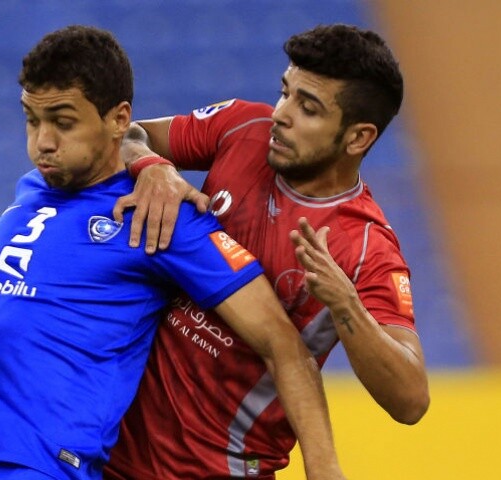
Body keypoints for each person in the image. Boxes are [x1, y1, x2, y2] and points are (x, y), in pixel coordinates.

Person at [0, 25, 344, 480]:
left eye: (63, 122)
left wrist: (324, 468)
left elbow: (283, 343)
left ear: (119, 119)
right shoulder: (31, 191)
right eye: (32, 119)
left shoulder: (159, 216)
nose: (43, 142)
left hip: (36, 467)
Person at [105, 23, 430, 479]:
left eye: (308, 108)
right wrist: (151, 165)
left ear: (358, 138)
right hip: (112, 449)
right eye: (285, 93)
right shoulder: (243, 128)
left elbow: (411, 400)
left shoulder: (365, 248)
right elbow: (124, 134)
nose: (281, 114)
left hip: (217, 469)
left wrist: (347, 306)